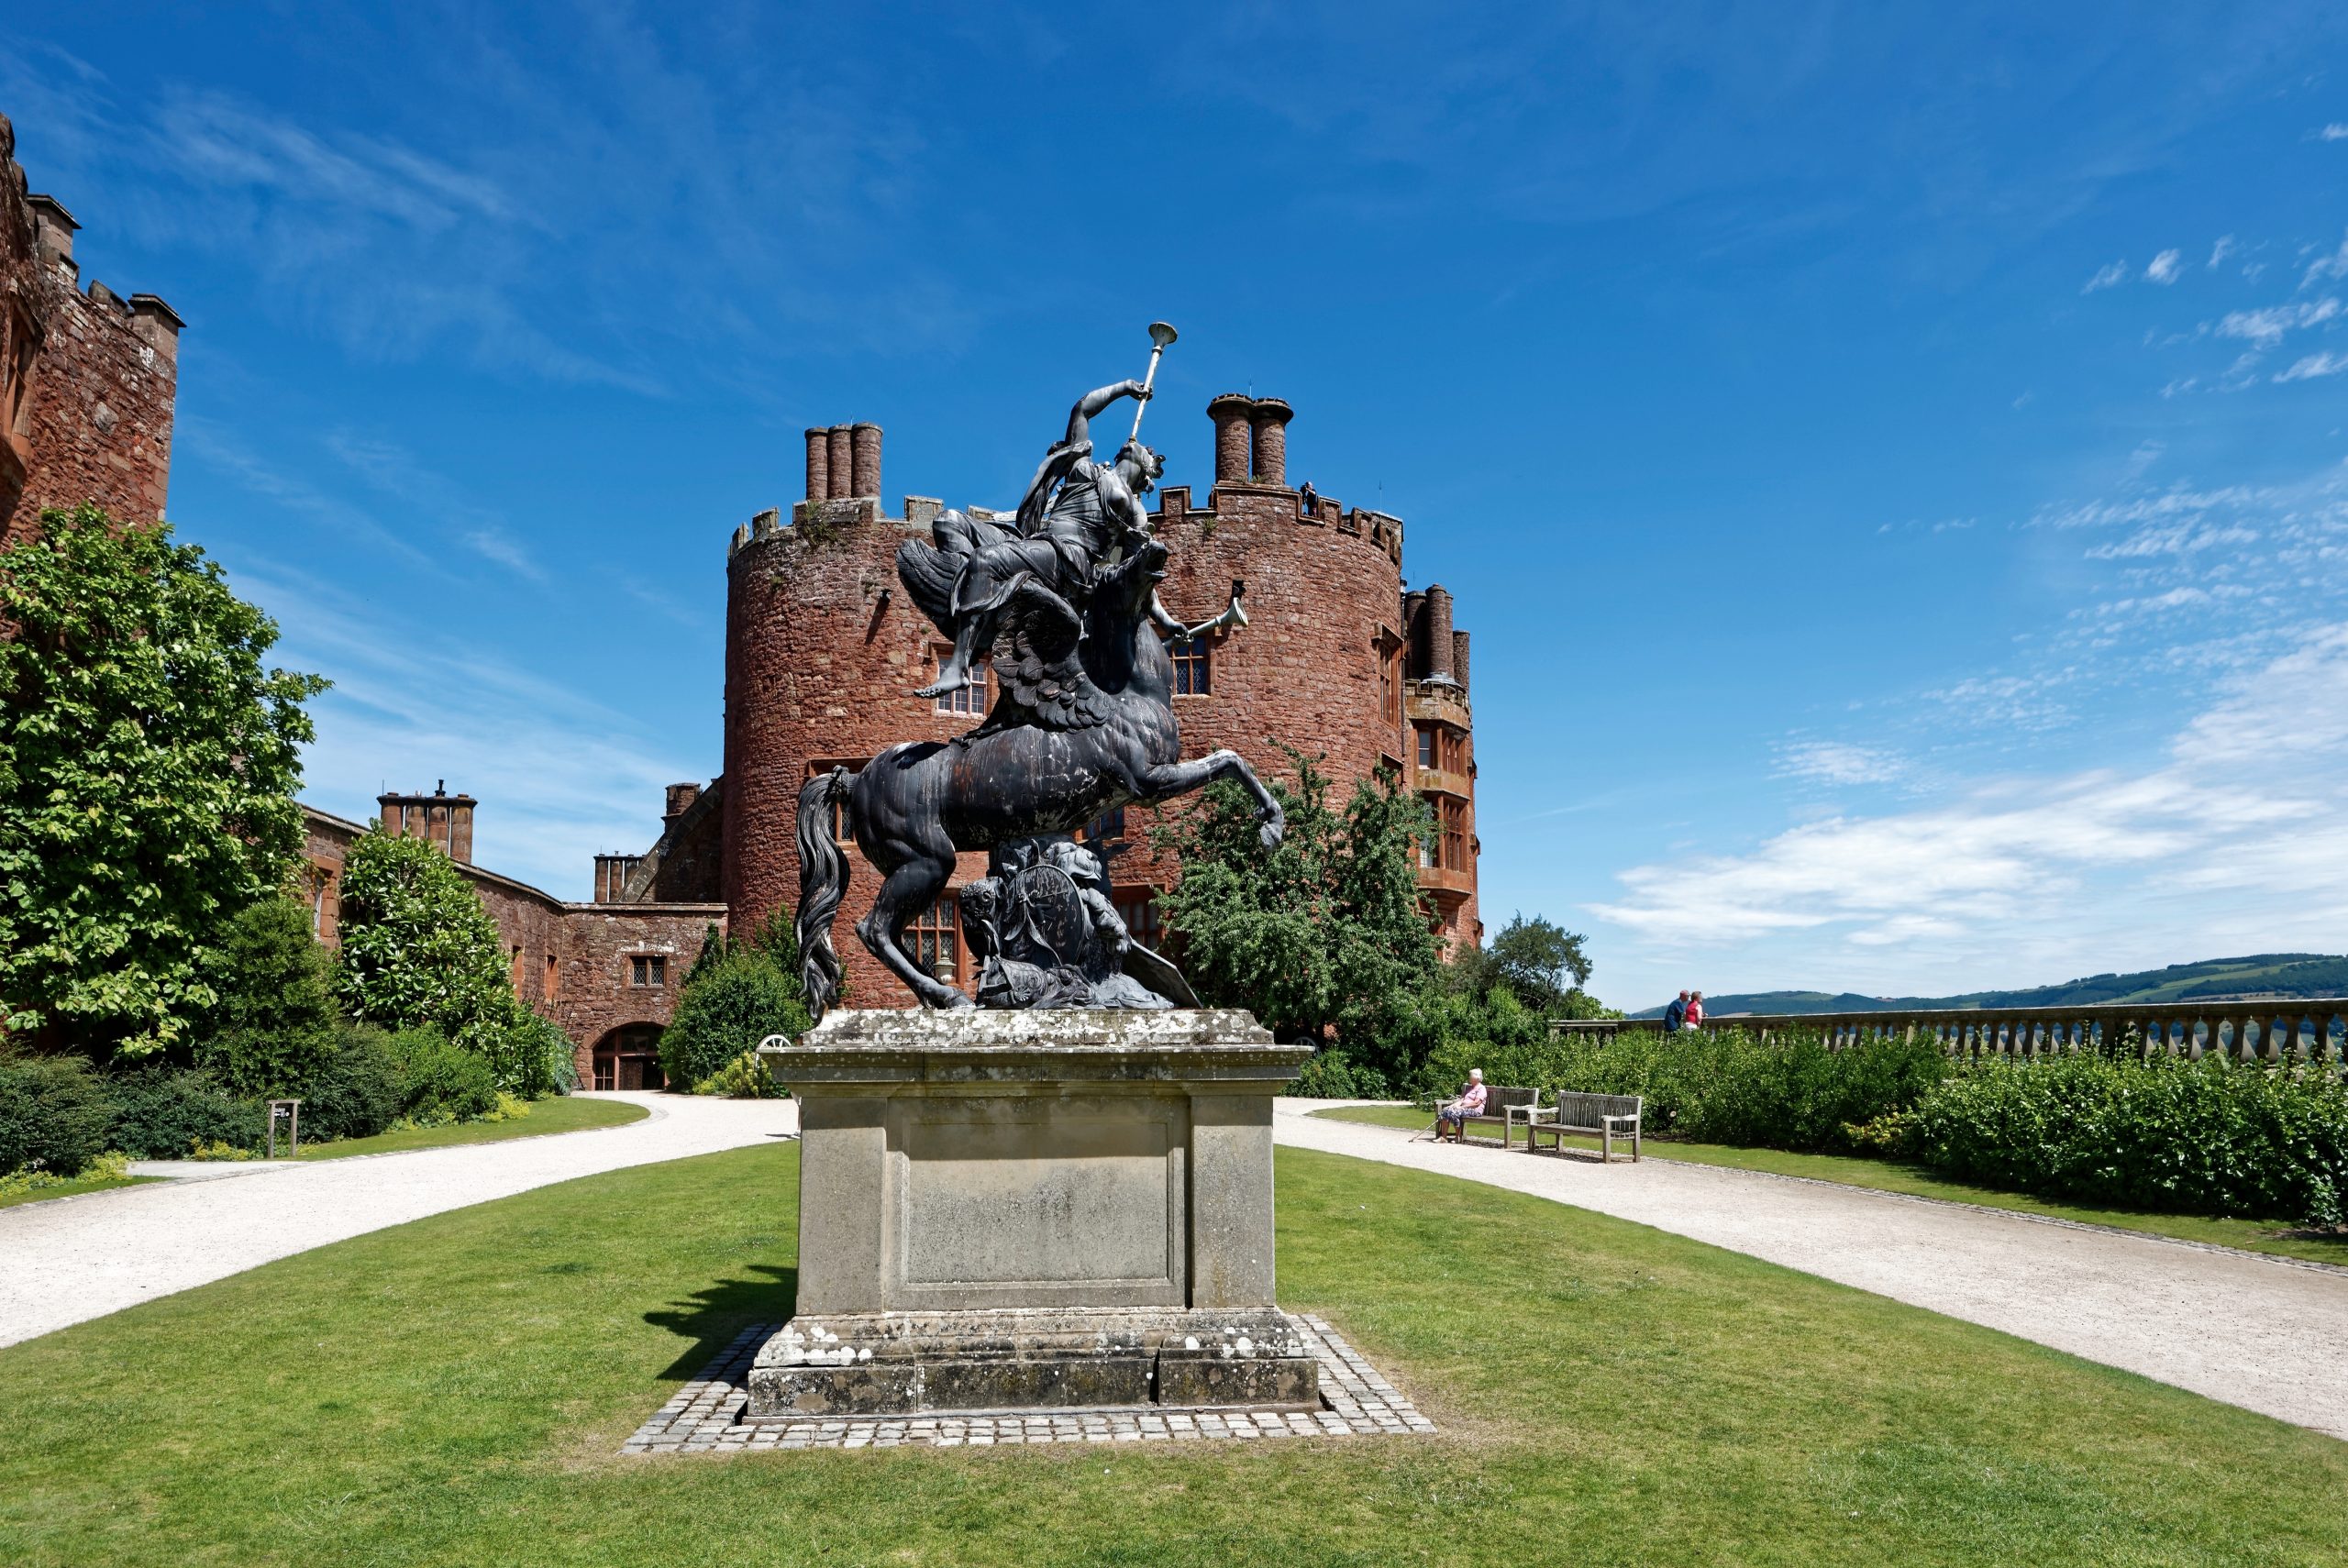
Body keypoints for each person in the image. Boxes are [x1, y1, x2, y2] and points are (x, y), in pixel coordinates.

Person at [913, 378, 1164, 699]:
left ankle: (959, 665)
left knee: (984, 560)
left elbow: (1139, 572)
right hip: (1037, 541)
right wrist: (1126, 387)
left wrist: (1164, 620)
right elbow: (1082, 410)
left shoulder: (1134, 510)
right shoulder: (1085, 466)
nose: (1133, 445)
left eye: (1144, 452)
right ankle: (977, 609)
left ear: (1145, 470)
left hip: (1069, 562)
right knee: (948, 522)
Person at [1434, 1068, 1487, 1142]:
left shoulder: (1481, 1088)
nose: (1469, 1078)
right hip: (1464, 1109)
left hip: (1475, 1111)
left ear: (1477, 1078)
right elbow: (1462, 1100)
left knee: (1456, 1112)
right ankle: (1444, 1137)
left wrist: (1461, 1107)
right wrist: (1453, 1106)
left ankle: (1457, 1137)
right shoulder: (1469, 1088)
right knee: (1445, 1110)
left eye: (1470, 1076)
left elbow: (1476, 1103)